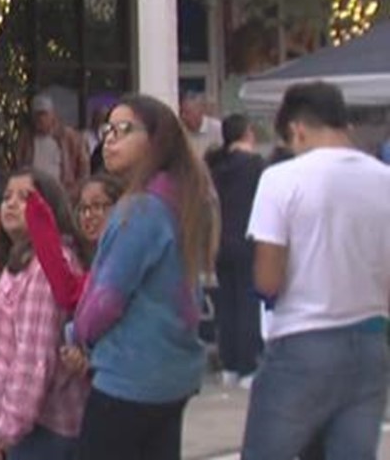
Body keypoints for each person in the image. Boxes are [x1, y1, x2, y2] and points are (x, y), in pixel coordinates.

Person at [241, 81, 390, 460]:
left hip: (302, 340)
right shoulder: (384, 179)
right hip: (371, 340)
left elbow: (268, 279)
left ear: (297, 129)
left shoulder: (281, 179)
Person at [66, 94, 214, 460]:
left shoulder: (140, 210)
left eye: (124, 129)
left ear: (156, 139)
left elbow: (107, 299)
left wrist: (76, 334)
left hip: (129, 377)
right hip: (172, 375)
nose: (110, 139)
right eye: (108, 130)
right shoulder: (184, 199)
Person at [0, 169, 90, 460]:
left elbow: (33, 358)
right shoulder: (22, 261)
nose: (10, 204)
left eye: (25, 198)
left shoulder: (43, 269)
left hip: (41, 429)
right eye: (7, 196)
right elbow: (13, 329)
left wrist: (9, 429)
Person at [204, 114, 266, 389]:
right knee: (248, 304)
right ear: (248, 133)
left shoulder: (215, 167)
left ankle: (228, 364)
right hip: (248, 241)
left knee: (226, 305)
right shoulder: (256, 166)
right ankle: (248, 366)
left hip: (220, 243)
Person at [27, 173, 124, 312]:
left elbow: (69, 293)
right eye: (84, 209)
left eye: (97, 206)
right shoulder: (90, 261)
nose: (88, 216)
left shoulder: (126, 259)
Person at [14, 94, 90, 198]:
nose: (40, 119)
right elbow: (19, 166)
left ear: (52, 114)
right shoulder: (27, 139)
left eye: (44, 114)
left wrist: (75, 191)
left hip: (62, 194)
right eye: (37, 115)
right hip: (34, 194)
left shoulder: (69, 137)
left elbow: (84, 168)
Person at [180, 92, 223, 157]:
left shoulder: (217, 128)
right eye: (181, 112)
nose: (183, 116)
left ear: (200, 111)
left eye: (187, 112)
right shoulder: (180, 130)